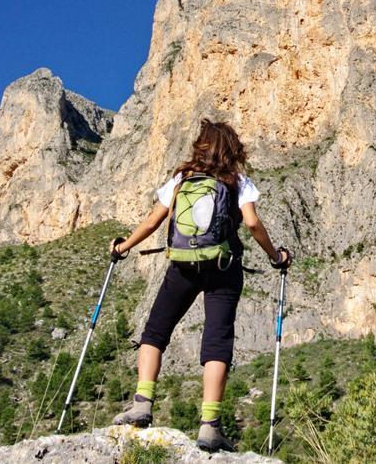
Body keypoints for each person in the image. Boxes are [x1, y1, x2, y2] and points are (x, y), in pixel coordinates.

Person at [109, 118, 292, 451]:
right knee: (217, 339)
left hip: (183, 265)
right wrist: (275, 256)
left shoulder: (182, 179)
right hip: (224, 266)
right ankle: (209, 425)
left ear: (201, 146)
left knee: (155, 332)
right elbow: (251, 222)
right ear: (232, 149)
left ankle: (142, 404)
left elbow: (153, 221)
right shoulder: (239, 181)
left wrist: (123, 247)